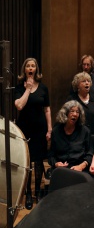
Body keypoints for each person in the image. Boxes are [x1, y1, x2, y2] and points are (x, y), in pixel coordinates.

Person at [14, 58, 51, 208]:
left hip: (40, 128)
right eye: (28, 66)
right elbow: (19, 106)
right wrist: (28, 89)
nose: (30, 68)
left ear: (36, 69)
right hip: (25, 129)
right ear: (24, 70)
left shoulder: (43, 88)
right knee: (28, 161)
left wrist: (49, 128)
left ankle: (38, 192)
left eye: (33, 66)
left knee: (39, 160)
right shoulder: (19, 88)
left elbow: (47, 109)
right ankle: (28, 193)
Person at [48, 101, 94, 176]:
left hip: (79, 169)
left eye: (77, 112)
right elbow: (51, 155)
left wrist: (81, 166)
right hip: (61, 170)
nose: (75, 114)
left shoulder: (85, 131)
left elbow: (90, 154)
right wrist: (56, 164)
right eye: (72, 111)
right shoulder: (56, 131)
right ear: (65, 113)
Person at [68, 72, 94, 137]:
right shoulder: (72, 99)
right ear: (77, 85)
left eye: (88, 81)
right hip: (77, 137)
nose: (87, 83)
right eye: (84, 81)